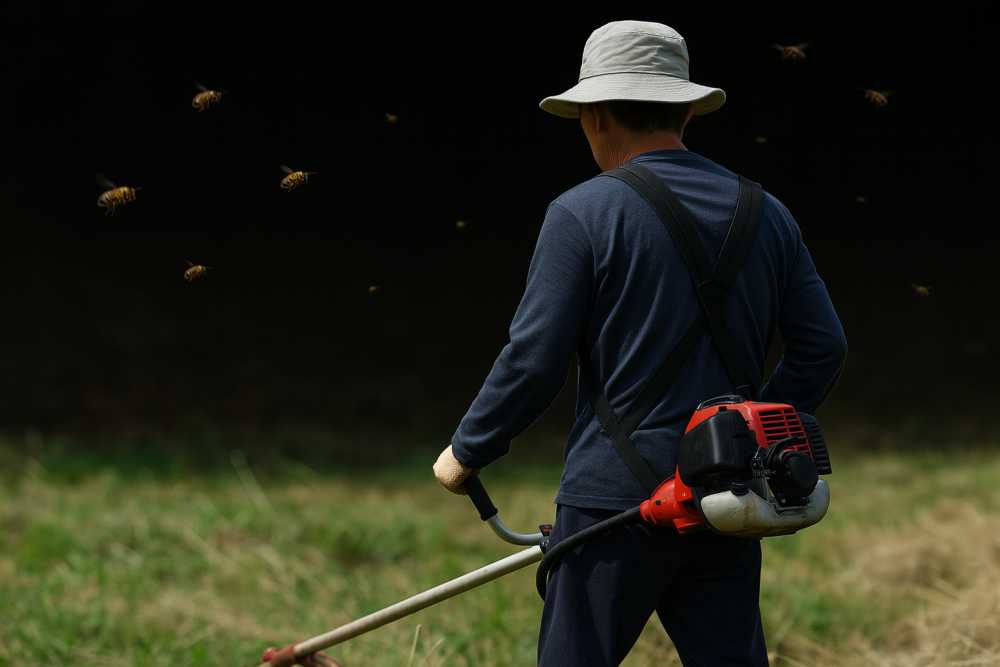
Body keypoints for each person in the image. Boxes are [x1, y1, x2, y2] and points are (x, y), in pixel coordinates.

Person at [433, 20, 847, 667]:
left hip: (610, 505)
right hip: (727, 495)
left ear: (594, 114)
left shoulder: (581, 211)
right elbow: (823, 345)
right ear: (685, 109)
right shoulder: (766, 210)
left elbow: (533, 357)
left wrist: (467, 449)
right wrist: (742, 434)